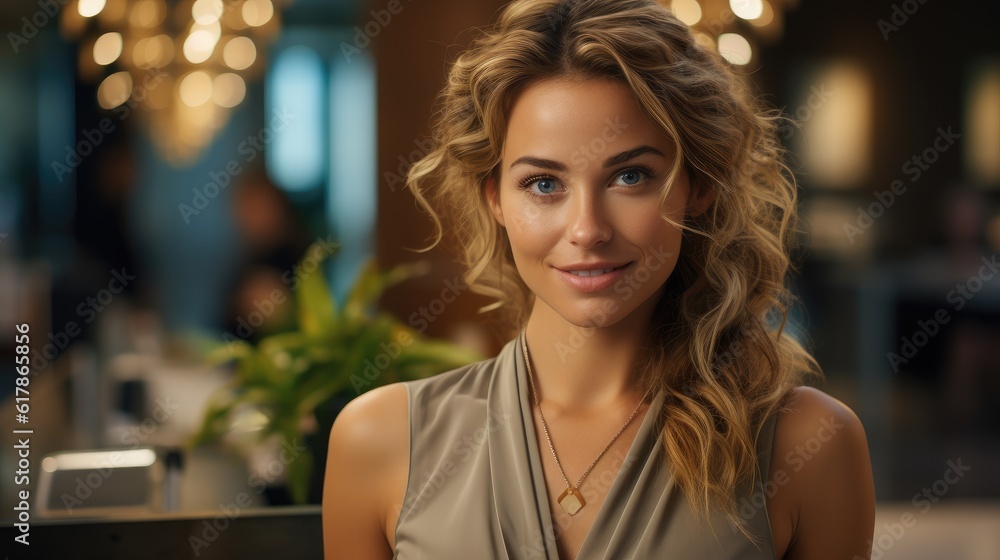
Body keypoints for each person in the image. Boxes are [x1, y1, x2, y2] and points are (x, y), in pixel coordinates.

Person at [322, 0, 876, 558]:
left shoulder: (807, 445)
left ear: (698, 187)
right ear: (496, 199)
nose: (586, 229)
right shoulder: (381, 441)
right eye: (543, 184)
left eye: (630, 176)